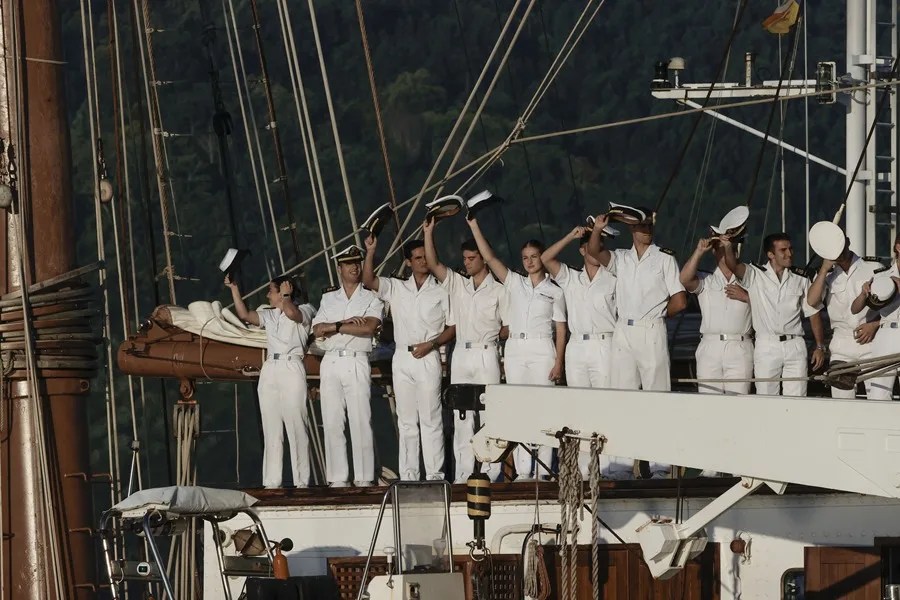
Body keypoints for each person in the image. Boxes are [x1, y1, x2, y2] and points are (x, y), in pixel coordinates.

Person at [587, 208, 686, 479]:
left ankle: (660, 463)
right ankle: (620, 462)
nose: (647, 230)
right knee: (622, 396)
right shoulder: (622, 258)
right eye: (641, 226)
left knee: (657, 397)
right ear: (632, 229)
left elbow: (680, 299)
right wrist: (598, 228)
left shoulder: (665, 258)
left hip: (651, 328)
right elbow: (595, 251)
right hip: (623, 329)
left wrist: (658, 314)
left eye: (649, 225)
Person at [467, 217, 566, 481]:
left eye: (534, 256)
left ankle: (543, 467)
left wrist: (559, 362)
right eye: (525, 257)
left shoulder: (555, 291)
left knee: (544, 407)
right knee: (519, 407)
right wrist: (475, 225)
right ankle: (523, 470)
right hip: (515, 349)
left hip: (542, 347)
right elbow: (489, 258)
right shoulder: (514, 282)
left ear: (542, 258)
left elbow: (560, 329)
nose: (530, 261)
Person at [542, 223, 632, 479]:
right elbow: (546, 258)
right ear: (582, 250)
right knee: (580, 409)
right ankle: (583, 469)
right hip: (577, 347)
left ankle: (614, 467)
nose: (594, 251)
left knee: (608, 406)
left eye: (599, 245)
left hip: (605, 342)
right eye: (589, 246)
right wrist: (571, 234)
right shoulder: (570, 277)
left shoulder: (613, 278)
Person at [362, 235, 455, 481]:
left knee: (431, 418)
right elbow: (369, 280)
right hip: (401, 357)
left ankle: (435, 474)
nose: (423, 261)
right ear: (408, 262)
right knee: (406, 420)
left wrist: (432, 344)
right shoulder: (397, 287)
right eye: (417, 258)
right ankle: (409, 474)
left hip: (428, 354)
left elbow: (453, 327)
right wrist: (371, 251)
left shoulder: (441, 290)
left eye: (425, 256)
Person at [423, 218, 506, 483]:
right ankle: (463, 473)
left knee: (490, 414)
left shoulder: (499, 290)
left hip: (486, 350)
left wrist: (493, 334)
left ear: (483, 259)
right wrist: (429, 233)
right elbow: (434, 264)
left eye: (472, 258)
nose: (467, 263)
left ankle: (492, 472)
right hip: (462, 353)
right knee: (462, 417)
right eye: (465, 258)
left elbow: (509, 326)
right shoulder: (458, 284)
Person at [225, 274, 316, 488]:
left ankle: (302, 482)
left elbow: (294, 314)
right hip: (270, 368)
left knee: (296, 424)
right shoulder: (270, 314)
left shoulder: (306, 309)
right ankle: (272, 482)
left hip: (291, 365)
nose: (267, 295)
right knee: (271, 426)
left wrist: (286, 296)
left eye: (271, 291)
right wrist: (234, 288)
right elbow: (245, 315)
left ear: (285, 291)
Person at [311, 245, 384, 487]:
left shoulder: (371, 297)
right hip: (331, 361)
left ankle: (364, 478)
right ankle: (337, 478)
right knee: (332, 421)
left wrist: (336, 327)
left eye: (357, 262)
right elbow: (317, 330)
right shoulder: (328, 297)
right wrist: (343, 322)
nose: (354, 267)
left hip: (356, 359)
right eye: (349, 263)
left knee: (361, 419)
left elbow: (368, 327)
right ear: (339, 268)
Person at [721, 233, 826, 397]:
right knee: (767, 400)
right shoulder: (755, 274)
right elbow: (732, 265)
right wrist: (728, 247)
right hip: (767, 344)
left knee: (797, 399)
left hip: (795, 344)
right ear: (770, 255)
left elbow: (813, 312)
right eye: (783, 250)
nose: (789, 254)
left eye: (790, 249)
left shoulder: (801, 278)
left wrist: (820, 345)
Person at [807, 238, 883, 398]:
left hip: (871, 340)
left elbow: (893, 308)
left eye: (841, 245)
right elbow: (812, 302)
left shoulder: (873, 268)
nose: (838, 251)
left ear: (847, 242)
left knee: (879, 397)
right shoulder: (826, 275)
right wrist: (823, 269)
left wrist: (876, 325)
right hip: (842, 345)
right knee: (842, 402)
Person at [680, 237, 753, 395]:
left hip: (739, 346)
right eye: (721, 249)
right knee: (708, 401)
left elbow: (767, 306)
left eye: (729, 249)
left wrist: (748, 297)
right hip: (710, 346)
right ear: (714, 252)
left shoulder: (750, 281)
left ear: (736, 252)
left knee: (738, 402)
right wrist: (699, 252)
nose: (725, 254)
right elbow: (685, 279)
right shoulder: (706, 279)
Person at [852, 235, 900, 400]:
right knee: (879, 392)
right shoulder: (882, 275)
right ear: (898, 247)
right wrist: (864, 293)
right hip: (886, 334)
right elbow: (855, 308)